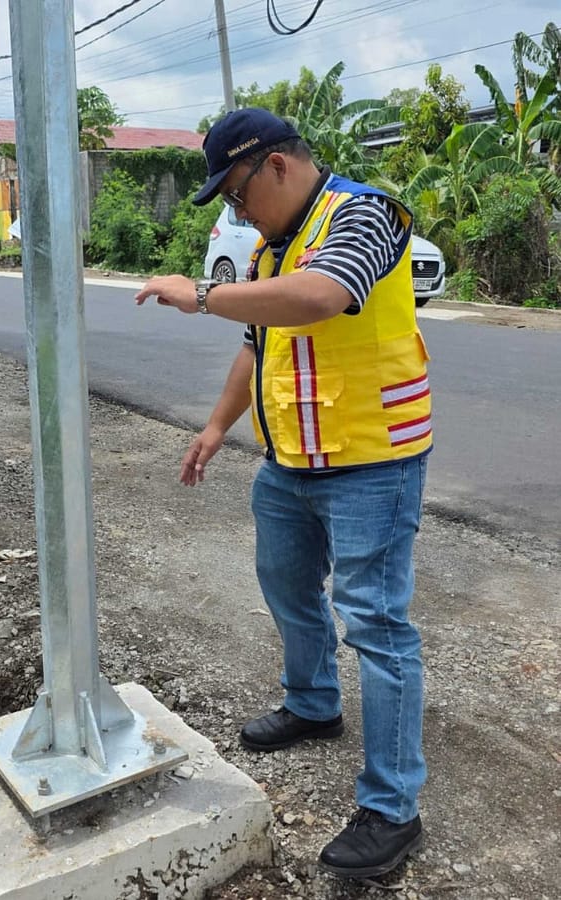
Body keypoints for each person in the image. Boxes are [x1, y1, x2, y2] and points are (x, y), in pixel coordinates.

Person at [135, 108, 432, 880]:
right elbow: (258, 343)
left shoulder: (366, 214)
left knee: (376, 623)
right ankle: (312, 703)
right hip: (290, 461)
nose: (236, 213)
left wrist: (199, 294)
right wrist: (212, 430)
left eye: (235, 194)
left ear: (274, 164)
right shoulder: (274, 247)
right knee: (288, 589)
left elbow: (322, 298)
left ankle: (393, 808)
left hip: (373, 459)